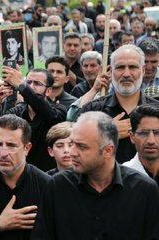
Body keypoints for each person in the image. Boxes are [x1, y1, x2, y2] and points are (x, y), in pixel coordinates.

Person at [30, 111, 159, 239]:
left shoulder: (144, 190)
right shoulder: (57, 186)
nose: (72, 152)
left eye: (82, 146)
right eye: (73, 143)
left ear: (108, 151)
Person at [79, 44, 159, 163]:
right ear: (111, 71)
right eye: (120, 67)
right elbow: (78, 152)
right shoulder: (92, 110)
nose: (126, 74)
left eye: (132, 67)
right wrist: (106, 133)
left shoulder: (156, 110)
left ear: (142, 70)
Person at [1, 67, 67, 171]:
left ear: (48, 91)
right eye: (29, 83)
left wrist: (22, 86)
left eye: (37, 84)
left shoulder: (59, 111)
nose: (31, 87)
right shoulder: (16, 112)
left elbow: (49, 114)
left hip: (47, 175)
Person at [124, 104, 159, 185]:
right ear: (132, 137)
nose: (151, 141)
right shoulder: (120, 178)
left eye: (157, 133)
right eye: (143, 133)